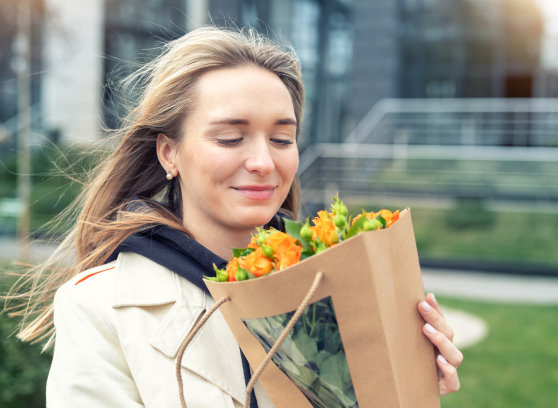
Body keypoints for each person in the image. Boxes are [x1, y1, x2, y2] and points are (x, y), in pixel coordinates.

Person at [6, 26, 462, 407]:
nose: (264, 162)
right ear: (170, 152)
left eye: (282, 139)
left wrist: (408, 386)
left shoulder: (342, 285)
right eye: (229, 138)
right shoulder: (99, 306)